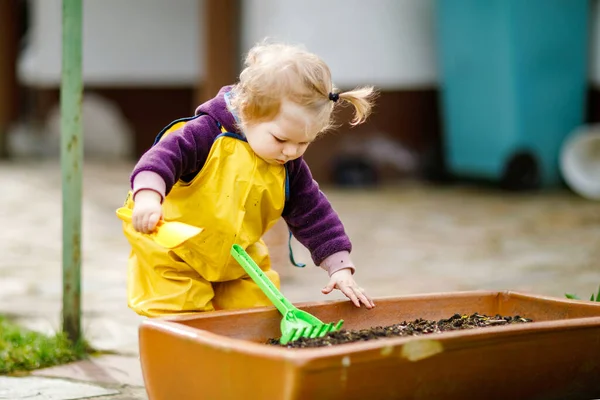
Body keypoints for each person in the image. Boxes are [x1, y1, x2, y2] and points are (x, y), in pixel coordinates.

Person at [121, 41, 377, 317]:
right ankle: (182, 357)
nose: (291, 151)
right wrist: (148, 196)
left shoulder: (289, 166)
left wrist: (339, 267)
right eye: (280, 139)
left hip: (237, 258)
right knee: (183, 317)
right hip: (174, 252)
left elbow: (314, 213)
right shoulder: (204, 135)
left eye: (303, 143)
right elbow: (160, 160)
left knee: (257, 315)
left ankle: (243, 358)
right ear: (247, 110)